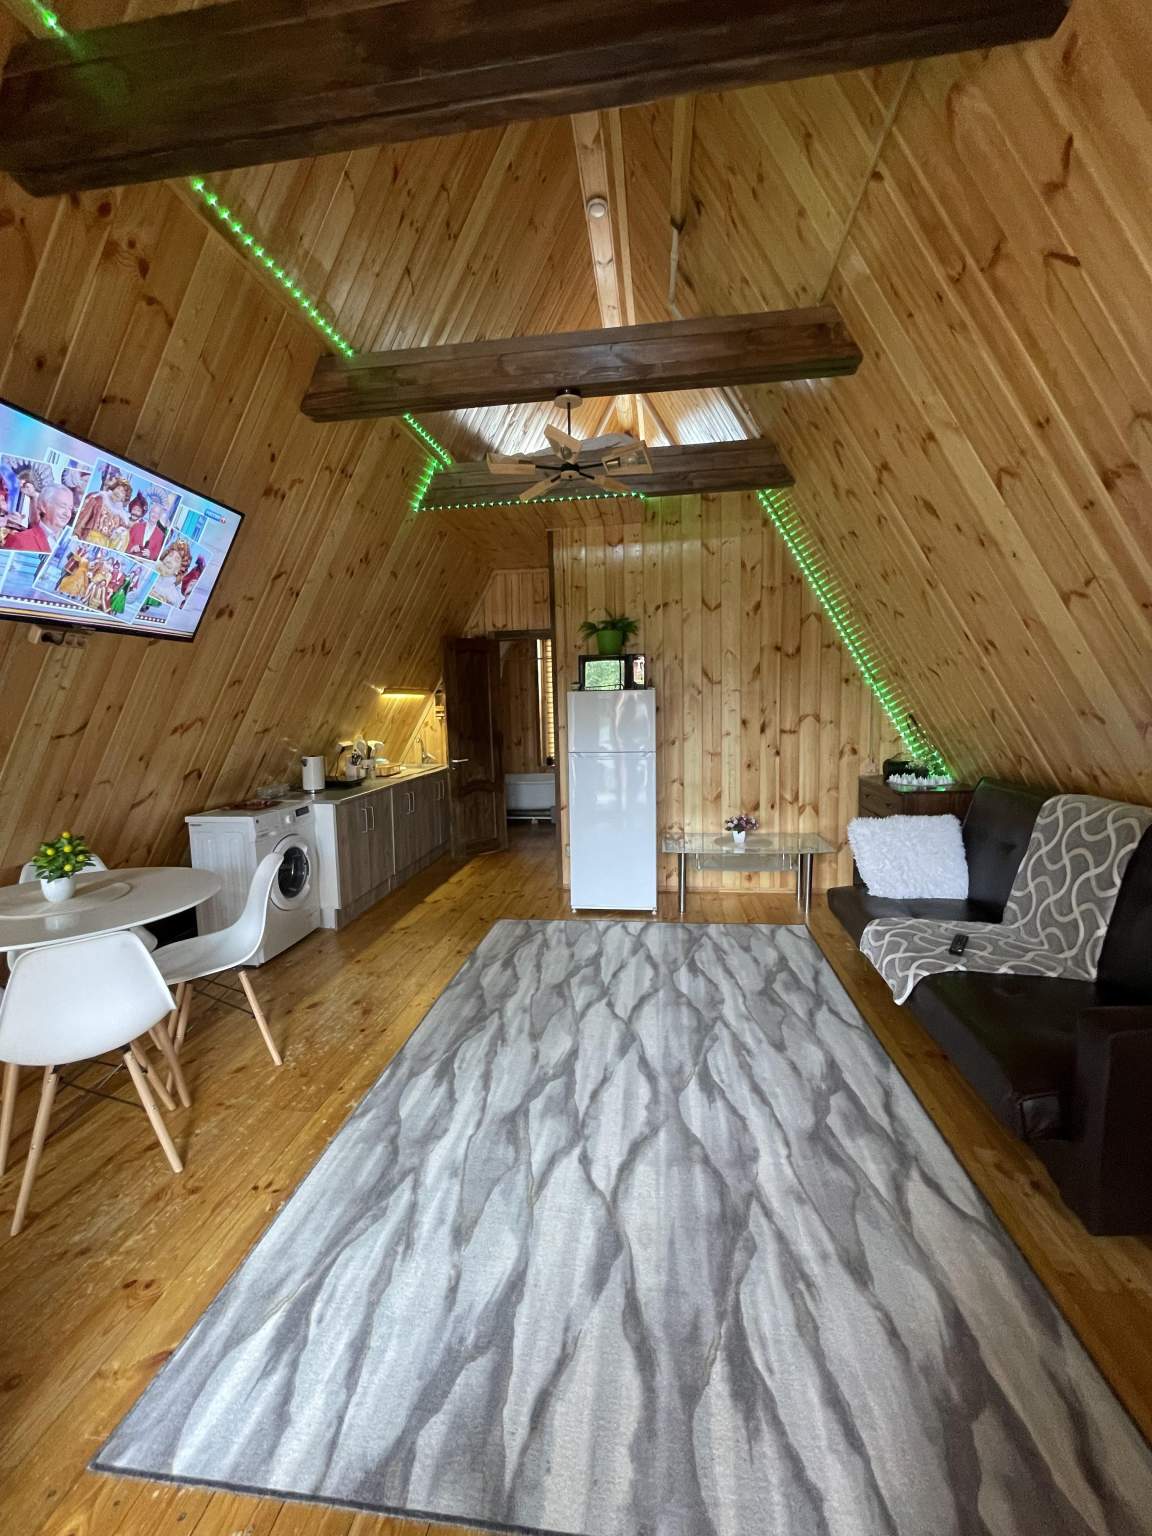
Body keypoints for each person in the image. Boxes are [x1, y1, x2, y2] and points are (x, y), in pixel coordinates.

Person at [1, 484, 75, 555]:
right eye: (62, 506)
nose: (67, 514)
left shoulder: (70, 543)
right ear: (44, 506)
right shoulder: (20, 540)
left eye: (70, 509)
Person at [127, 494, 168, 562]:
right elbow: (126, 542)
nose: (154, 515)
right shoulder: (136, 526)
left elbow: (157, 554)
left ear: (160, 516)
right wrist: (132, 548)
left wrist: (150, 554)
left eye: (157, 514)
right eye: (153, 512)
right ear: (149, 512)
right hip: (129, 559)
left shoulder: (161, 535)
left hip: (143, 564)